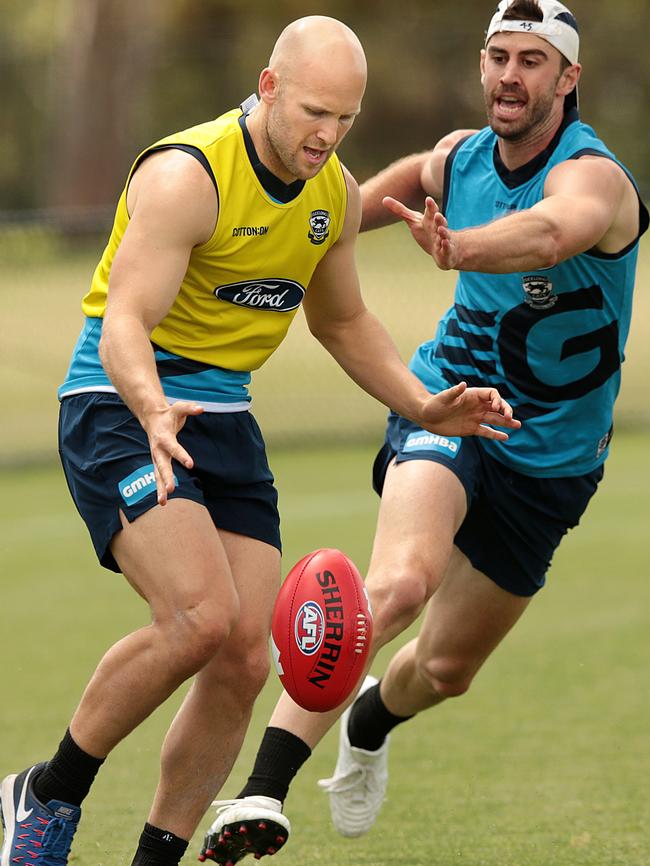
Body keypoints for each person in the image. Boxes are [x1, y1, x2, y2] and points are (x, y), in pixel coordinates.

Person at [0, 15, 519, 866]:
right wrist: (153, 406)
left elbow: (345, 321)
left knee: (244, 657)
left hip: (227, 419)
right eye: (316, 112)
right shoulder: (188, 175)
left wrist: (426, 408)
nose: (328, 136)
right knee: (198, 618)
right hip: (121, 402)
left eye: (346, 120)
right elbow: (124, 320)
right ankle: (48, 794)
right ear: (268, 87)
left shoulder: (332, 196)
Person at [200, 0, 649, 861]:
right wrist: (304, 232)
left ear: (568, 79)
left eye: (530, 61)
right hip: (448, 402)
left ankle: (369, 719)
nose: (509, 76)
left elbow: (556, 230)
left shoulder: (597, 177)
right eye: (497, 57)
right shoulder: (461, 157)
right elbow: (394, 186)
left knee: (443, 672)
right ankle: (259, 793)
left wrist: (461, 248)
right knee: (400, 582)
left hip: (552, 462)